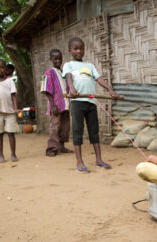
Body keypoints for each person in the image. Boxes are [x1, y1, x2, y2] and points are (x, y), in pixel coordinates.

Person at [65, 37, 119, 173]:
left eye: (81, 48)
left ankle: (99, 159)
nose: (79, 51)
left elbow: (99, 79)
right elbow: (69, 77)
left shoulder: (90, 66)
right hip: (77, 102)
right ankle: (79, 161)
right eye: (76, 48)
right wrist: (71, 89)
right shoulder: (69, 65)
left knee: (94, 131)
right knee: (78, 131)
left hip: (91, 102)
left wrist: (110, 89)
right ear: (70, 50)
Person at [40, 49, 73, 157]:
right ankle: (52, 148)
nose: (58, 60)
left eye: (59, 58)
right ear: (51, 59)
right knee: (55, 126)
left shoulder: (63, 72)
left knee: (65, 126)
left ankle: (61, 146)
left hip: (65, 104)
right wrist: (53, 104)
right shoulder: (50, 72)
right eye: (55, 58)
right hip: (56, 105)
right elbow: (46, 89)